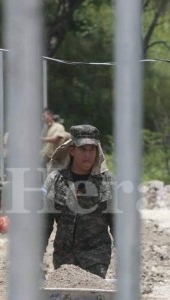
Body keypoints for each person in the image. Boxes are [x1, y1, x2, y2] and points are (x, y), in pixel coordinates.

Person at [41, 124, 114, 277]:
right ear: (72, 150)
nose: (88, 154)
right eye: (83, 149)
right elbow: (44, 223)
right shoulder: (56, 180)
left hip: (96, 257)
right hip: (64, 259)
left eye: (92, 149)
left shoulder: (107, 183)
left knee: (93, 298)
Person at [40, 108, 70, 172]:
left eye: (44, 116)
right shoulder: (45, 130)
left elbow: (55, 139)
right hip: (45, 160)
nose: (43, 119)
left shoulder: (59, 127)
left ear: (50, 115)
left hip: (55, 161)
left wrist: (40, 139)